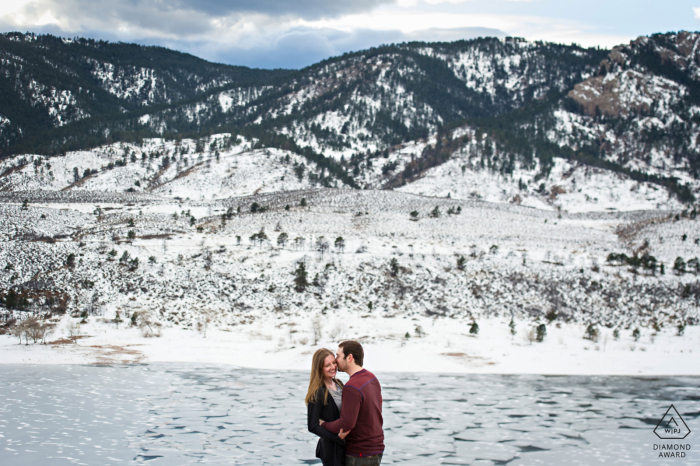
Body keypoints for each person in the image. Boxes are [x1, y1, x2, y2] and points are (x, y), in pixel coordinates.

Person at [320, 341, 384, 466]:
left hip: (360, 454)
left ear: (349, 358)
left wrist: (323, 424)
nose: (336, 360)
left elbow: (346, 424)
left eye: (338, 356)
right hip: (376, 448)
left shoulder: (352, 387)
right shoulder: (372, 378)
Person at [306, 348, 351, 466]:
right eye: (327, 365)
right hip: (332, 450)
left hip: (346, 446)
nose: (333, 367)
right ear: (319, 369)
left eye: (334, 363)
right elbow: (312, 425)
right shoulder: (317, 392)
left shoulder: (339, 383)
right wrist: (336, 437)